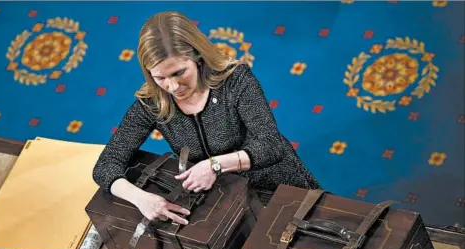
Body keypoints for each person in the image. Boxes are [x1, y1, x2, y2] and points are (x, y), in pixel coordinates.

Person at [92, 11, 321, 226]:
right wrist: (141, 198)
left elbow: (271, 146)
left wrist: (215, 166)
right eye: (160, 77)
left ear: (198, 57)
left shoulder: (235, 81)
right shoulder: (152, 102)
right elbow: (105, 165)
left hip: (275, 184)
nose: (172, 87)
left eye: (179, 72)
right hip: (223, 202)